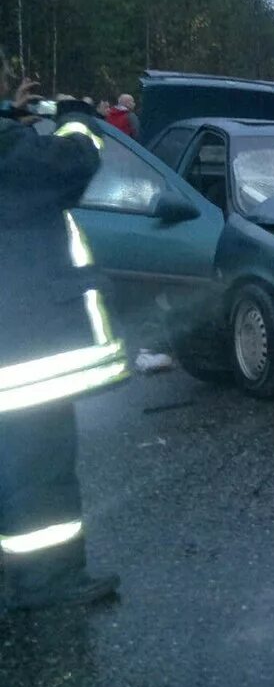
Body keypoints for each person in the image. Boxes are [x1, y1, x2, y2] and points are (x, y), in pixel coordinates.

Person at [1, 78, 127, 611]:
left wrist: (13, 115)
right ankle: (48, 583)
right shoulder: (10, 149)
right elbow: (72, 164)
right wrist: (77, 117)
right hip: (21, 356)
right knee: (39, 470)